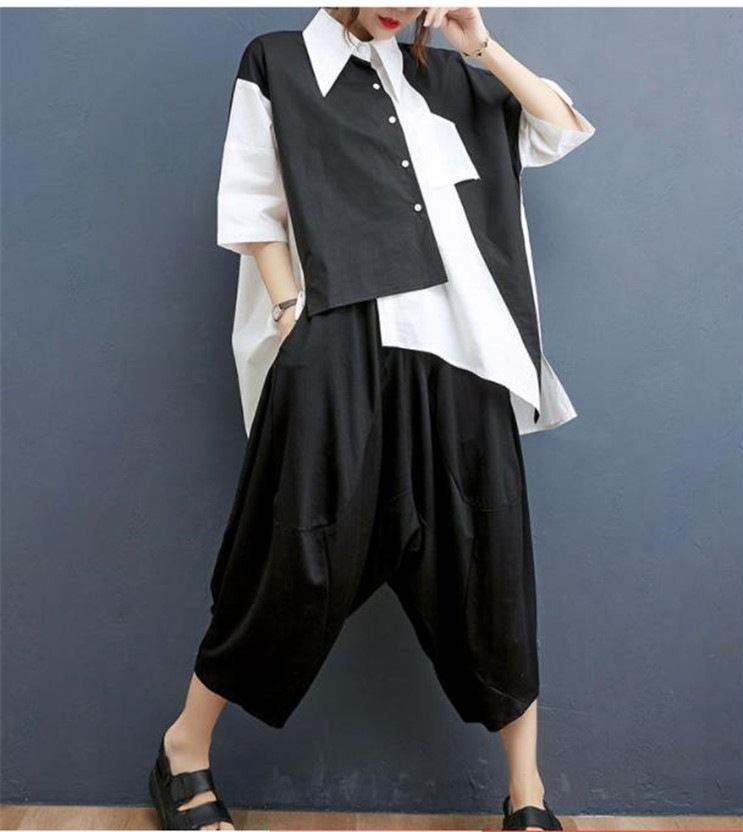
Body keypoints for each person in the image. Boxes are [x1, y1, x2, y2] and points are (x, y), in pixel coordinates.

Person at [149, 7, 595, 831]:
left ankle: (527, 793)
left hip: (462, 353)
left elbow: (558, 127)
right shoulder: (278, 62)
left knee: (489, 559)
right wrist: (293, 315)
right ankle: (183, 748)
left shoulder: (451, 74)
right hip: (339, 337)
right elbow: (252, 207)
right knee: (292, 558)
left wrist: (479, 44)